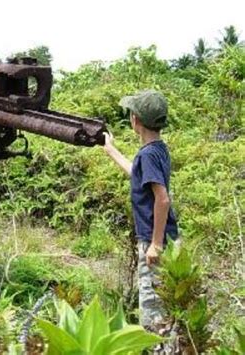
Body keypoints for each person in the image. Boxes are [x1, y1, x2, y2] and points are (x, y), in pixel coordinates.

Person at [102, 89, 179, 332]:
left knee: (152, 306)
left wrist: (155, 244)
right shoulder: (157, 149)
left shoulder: (147, 155)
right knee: (166, 302)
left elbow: (162, 200)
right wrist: (110, 150)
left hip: (156, 241)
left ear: (136, 120)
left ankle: (157, 346)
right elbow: (137, 174)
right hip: (169, 236)